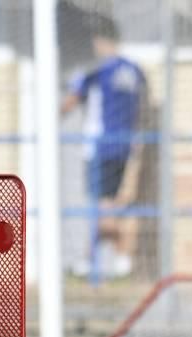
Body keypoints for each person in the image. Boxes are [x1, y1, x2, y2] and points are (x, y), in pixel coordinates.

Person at [62, 17, 146, 279]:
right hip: (123, 146)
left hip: (99, 146)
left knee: (104, 208)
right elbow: (141, 106)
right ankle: (96, 261)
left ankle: (116, 260)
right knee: (107, 205)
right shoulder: (133, 70)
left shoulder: (97, 71)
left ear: (100, 41)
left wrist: (50, 116)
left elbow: (71, 101)